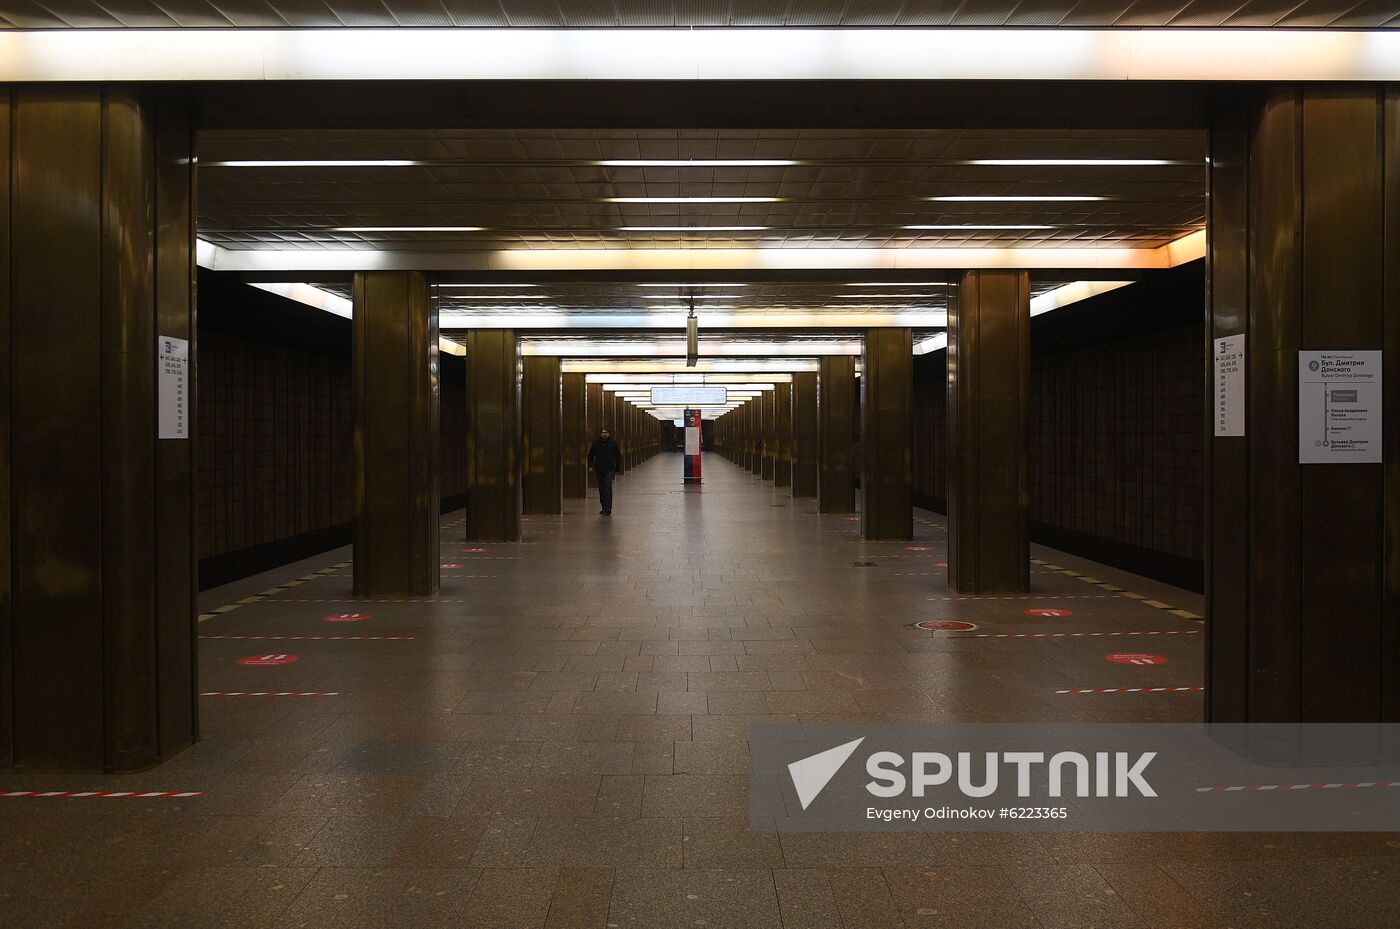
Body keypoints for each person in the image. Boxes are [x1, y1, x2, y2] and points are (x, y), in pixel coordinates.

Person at [586, 427, 624, 515]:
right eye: (603, 432)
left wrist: (617, 468)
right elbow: (591, 455)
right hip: (599, 468)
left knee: (607, 486)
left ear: (609, 434)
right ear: (600, 434)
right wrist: (590, 465)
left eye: (606, 432)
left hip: (610, 468)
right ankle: (603, 507)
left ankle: (608, 507)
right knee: (601, 488)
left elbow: (617, 456)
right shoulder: (596, 443)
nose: (604, 434)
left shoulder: (613, 443)